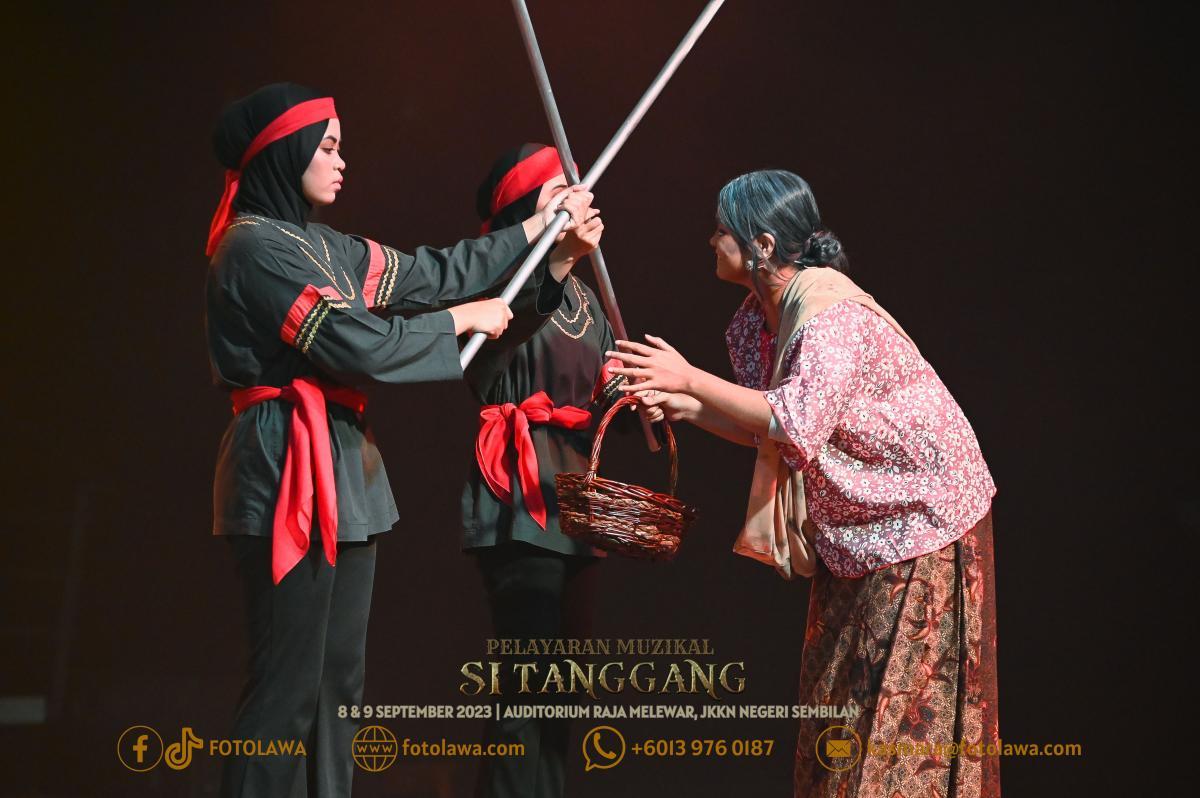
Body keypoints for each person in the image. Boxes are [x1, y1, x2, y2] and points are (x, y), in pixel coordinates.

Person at [204, 84, 595, 798]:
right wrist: (457, 321)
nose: (341, 161)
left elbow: (435, 272)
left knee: (339, 686)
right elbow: (352, 343)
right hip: (284, 461)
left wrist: (539, 230)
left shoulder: (331, 247)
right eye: (327, 147)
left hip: (346, 462)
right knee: (287, 686)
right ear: (286, 151)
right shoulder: (251, 247)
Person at [609, 170, 1000, 797]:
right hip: (860, 529)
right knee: (834, 717)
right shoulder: (758, 320)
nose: (711, 240)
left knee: (896, 723)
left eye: (722, 229)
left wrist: (688, 379)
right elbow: (774, 429)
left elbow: (792, 417)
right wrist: (686, 405)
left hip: (921, 520)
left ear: (762, 245)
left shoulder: (829, 314)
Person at [462, 144, 632, 798]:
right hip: (519, 489)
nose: (576, 197)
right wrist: (555, 262)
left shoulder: (587, 293)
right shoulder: (500, 280)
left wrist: (633, 394)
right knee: (525, 686)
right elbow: (486, 364)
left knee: (562, 693)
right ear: (524, 209)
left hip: (576, 501)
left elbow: (599, 386)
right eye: (557, 190)